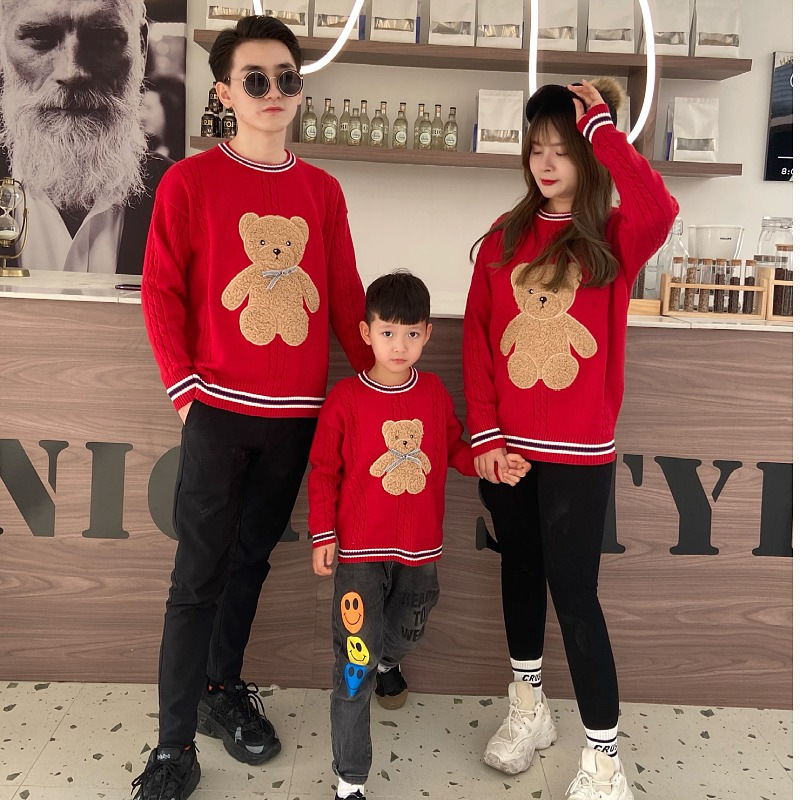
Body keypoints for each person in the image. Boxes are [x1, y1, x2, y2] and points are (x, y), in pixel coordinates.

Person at [134, 16, 373, 800]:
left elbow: (344, 300)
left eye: (287, 78)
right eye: (256, 79)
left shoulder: (323, 193)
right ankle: (173, 747)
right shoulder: (190, 182)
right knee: (197, 574)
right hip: (216, 410)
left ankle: (220, 689)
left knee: (250, 562)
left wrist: (381, 385)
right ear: (225, 93)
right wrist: (185, 392)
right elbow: (161, 290)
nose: (275, 92)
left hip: (296, 418)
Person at [464, 78, 679, 800]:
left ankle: (605, 760)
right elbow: (480, 340)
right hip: (509, 448)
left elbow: (662, 207)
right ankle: (529, 709)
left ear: (586, 154)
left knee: (576, 596)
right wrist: (486, 435)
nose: (548, 163)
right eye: (537, 150)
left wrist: (605, 130)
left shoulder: (614, 235)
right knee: (519, 574)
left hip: (580, 455)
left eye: (563, 148)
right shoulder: (504, 236)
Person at [308, 271, 531, 800]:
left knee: (409, 629)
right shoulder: (345, 398)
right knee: (353, 665)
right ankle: (350, 780)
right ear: (366, 333)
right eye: (388, 332)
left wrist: (491, 464)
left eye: (411, 333)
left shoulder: (432, 393)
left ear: (428, 334)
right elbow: (323, 471)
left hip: (420, 552)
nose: (399, 345)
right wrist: (323, 534)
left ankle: (390, 661)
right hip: (358, 556)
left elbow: (454, 450)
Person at [0, 0, 170, 275]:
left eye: (104, 38)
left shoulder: (187, 200)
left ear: (141, 46)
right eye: (40, 38)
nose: (72, 72)